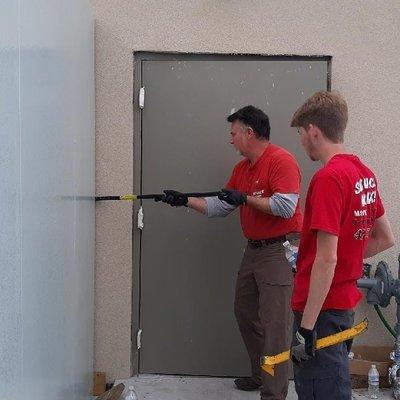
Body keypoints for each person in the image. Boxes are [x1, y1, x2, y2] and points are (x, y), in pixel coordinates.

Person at [158, 105, 303, 400]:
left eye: (233, 133)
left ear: (250, 133)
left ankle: (274, 393)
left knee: (276, 324)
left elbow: (286, 207)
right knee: (244, 310)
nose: (230, 139)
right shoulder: (241, 169)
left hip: (279, 249)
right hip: (254, 250)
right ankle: (260, 373)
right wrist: (184, 200)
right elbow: (221, 206)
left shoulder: (281, 161)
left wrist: (246, 199)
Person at [289, 91, 395, 400]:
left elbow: (326, 260)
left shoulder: (328, 179)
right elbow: (384, 237)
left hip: (319, 311)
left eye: (301, 134)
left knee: (322, 391)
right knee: (333, 384)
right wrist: (345, 260)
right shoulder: (363, 174)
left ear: (313, 130)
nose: (302, 142)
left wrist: (306, 329)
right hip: (342, 305)